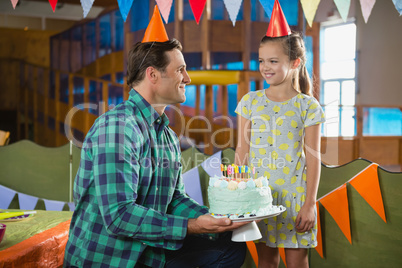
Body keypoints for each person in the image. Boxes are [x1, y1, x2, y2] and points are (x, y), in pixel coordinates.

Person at [64, 38, 249, 268]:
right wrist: (195, 226)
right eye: (180, 69)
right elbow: (119, 216)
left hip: (149, 253)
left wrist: (214, 218)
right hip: (109, 260)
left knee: (229, 245)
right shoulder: (119, 127)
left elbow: (173, 200)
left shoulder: (167, 136)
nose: (188, 78)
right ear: (153, 75)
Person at [234, 31, 325, 268]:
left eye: (273, 61)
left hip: (296, 198)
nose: (265, 67)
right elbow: (241, 151)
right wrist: (239, 196)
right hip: (259, 197)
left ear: (295, 62)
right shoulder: (250, 102)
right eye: (262, 60)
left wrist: (310, 204)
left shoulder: (308, 106)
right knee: (266, 262)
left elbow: (314, 158)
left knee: (297, 263)